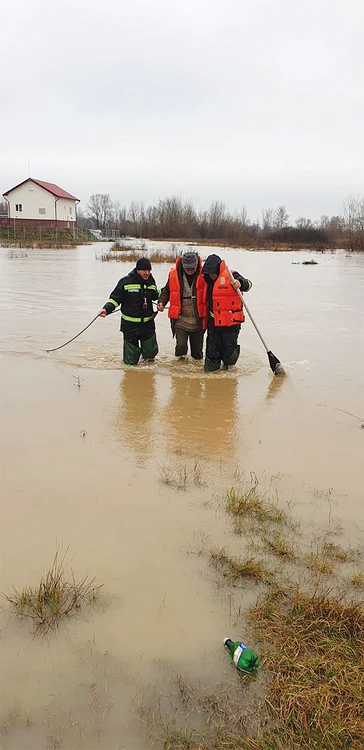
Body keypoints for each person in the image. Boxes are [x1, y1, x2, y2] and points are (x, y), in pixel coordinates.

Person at [98, 257, 159, 365]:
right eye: (144, 270)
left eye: (149, 270)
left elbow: (155, 296)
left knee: (150, 355)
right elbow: (115, 299)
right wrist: (106, 309)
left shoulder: (151, 281)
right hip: (130, 327)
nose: (147, 273)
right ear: (137, 270)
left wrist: (166, 295)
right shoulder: (125, 282)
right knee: (130, 364)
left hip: (148, 324)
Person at [201, 254, 252, 372]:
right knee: (211, 357)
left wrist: (240, 283)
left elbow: (249, 284)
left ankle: (230, 362)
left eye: (213, 272)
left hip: (230, 325)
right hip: (213, 324)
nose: (211, 275)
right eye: (209, 272)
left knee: (229, 356)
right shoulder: (206, 280)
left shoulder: (232, 275)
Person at [157, 251, 206, 360]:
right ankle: (179, 370)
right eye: (187, 268)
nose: (189, 270)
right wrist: (161, 302)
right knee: (181, 346)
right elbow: (166, 291)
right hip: (180, 319)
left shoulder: (204, 274)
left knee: (197, 353)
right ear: (183, 265)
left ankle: (196, 373)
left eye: (192, 268)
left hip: (198, 319)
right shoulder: (174, 274)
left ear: (196, 265)